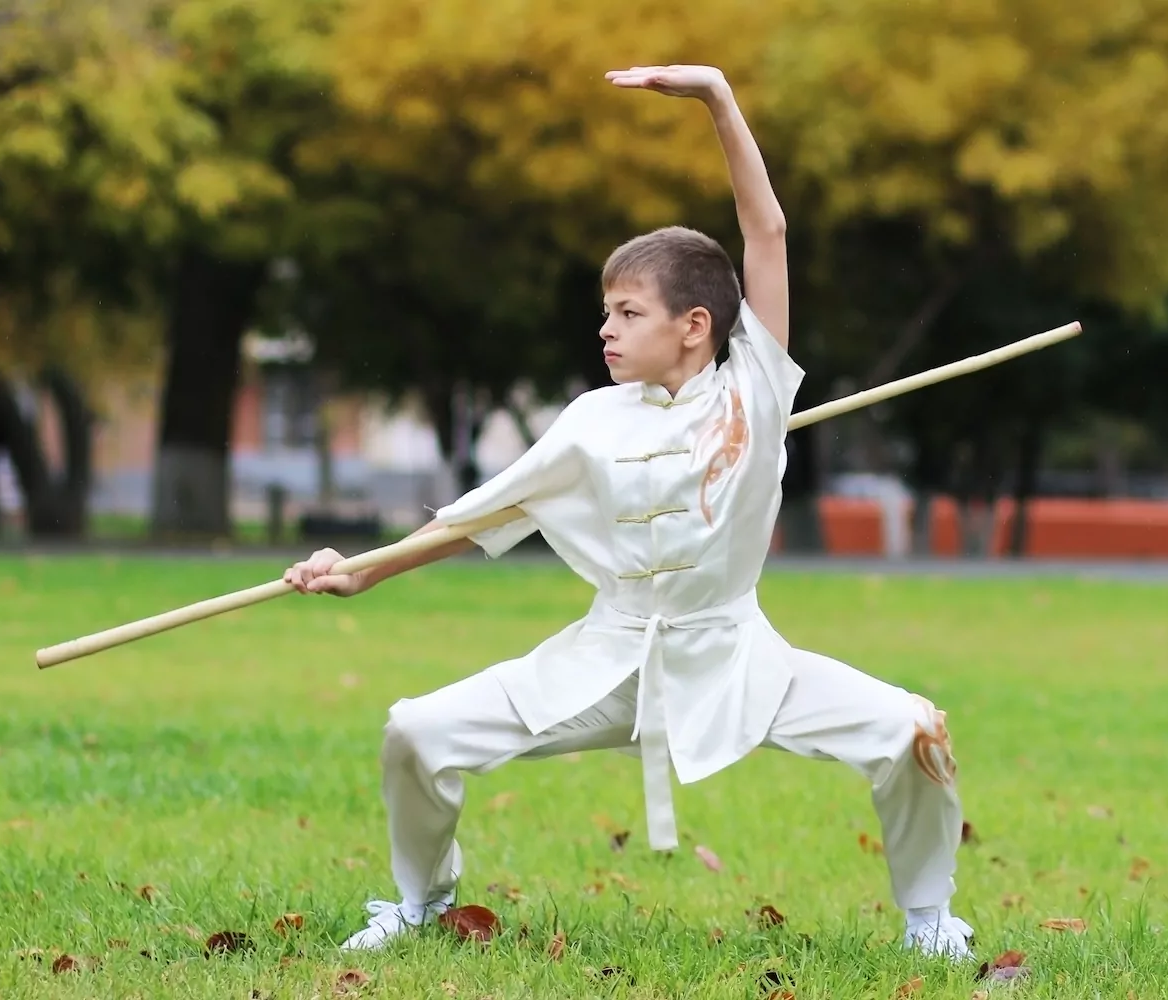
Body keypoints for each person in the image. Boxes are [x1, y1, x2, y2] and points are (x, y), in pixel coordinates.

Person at [283, 64, 973, 960]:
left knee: (912, 729)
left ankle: (930, 922)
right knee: (417, 731)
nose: (604, 331)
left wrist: (720, 100)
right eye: (603, 313)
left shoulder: (754, 391)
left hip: (737, 661)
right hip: (605, 663)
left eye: (625, 312)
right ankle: (419, 903)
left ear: (694, 325)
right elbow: (474, 518)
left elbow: (766, 231)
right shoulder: (587, 422)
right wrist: (359, 570)